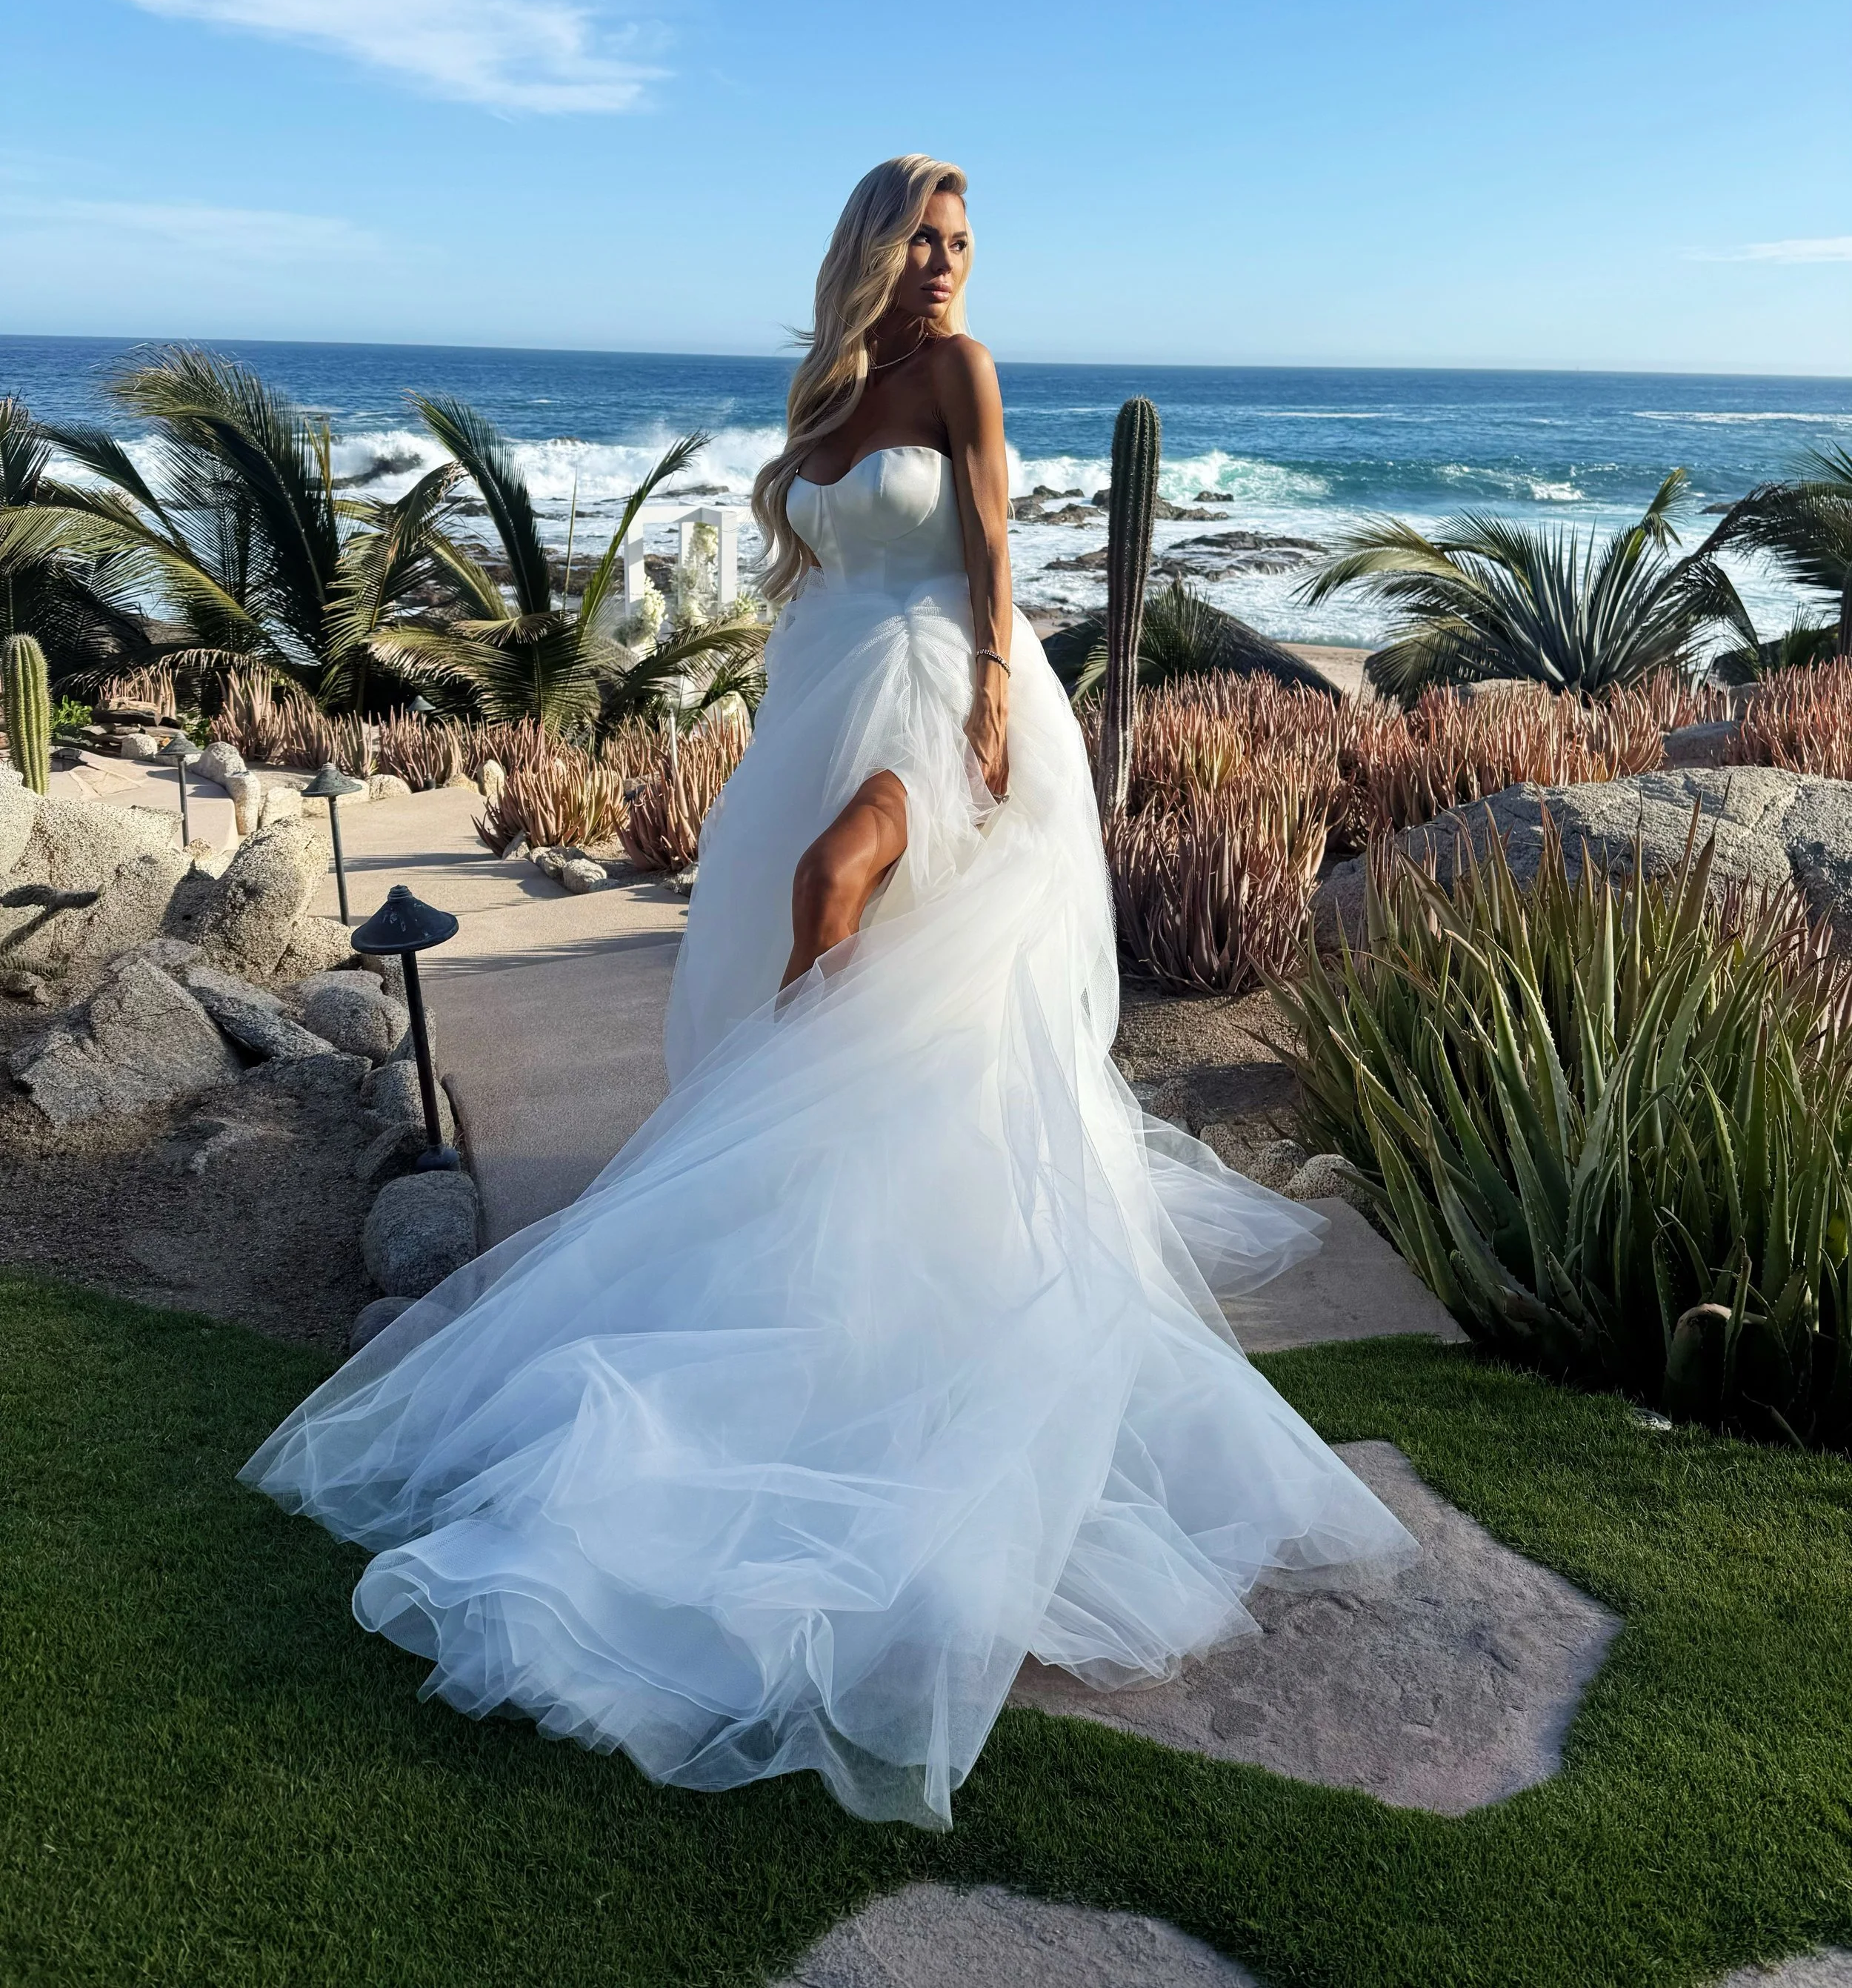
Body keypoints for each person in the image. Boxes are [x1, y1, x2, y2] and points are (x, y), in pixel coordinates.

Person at [242, 154, 1413, 1831]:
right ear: (868, 249)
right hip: (823, 701)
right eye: (918, 240)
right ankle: (831, 1184)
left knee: (829, 891)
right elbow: (807, 568)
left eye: (961, 242)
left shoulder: (961, 371)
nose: (943, 265)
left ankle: (806, 1105)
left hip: (946, 694)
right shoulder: (839, 382)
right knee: (828, 936)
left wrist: (997, 710)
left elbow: (995, 546)